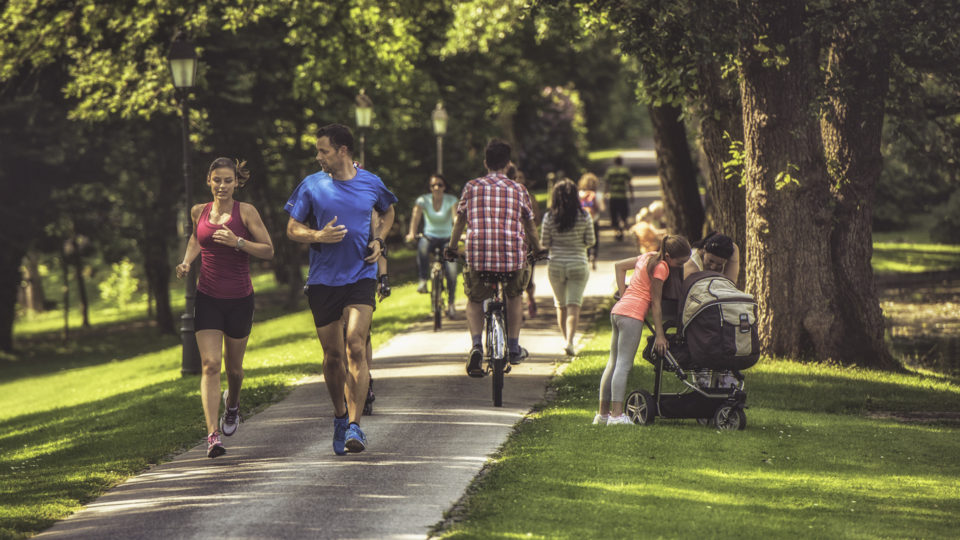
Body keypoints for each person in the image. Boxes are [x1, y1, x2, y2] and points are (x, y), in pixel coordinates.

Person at [284, 124, 397, 455]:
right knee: (333, 357)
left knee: (355, 345)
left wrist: (379, 239)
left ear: (342, 151)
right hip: (323, 281)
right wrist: (317, 236)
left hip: (361, 274)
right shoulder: (311, 185)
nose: (319, 157)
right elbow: (292, 228)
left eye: (324, 151)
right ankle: (338, 415)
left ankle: (355, 425)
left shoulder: (371, 182)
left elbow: (388, 211)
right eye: (318, 151)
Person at [176, 157, 275, 458]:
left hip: (240, 300)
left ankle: (232, 404)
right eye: (217, 180)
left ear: (236, 182)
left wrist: (238, 242)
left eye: (228, 180)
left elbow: (269, 251)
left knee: (234, 369)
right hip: (207, 297)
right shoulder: (199, 212)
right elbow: (197, 238)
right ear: (209, 180)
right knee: (209, 365)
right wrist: (186, 261)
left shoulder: (246, 212)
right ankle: (212, 436)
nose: (222, 185)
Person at [445, 139, 546, 377]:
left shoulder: (471, 187)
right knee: (514, 294)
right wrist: (539, 249)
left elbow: (460, 221)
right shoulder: (519, 189)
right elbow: (530, 226)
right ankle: (512, 345)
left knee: (474, 298)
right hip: (512, 257)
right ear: (508, 164)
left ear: (485, 163)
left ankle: (477, 345)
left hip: (479, 256)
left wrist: (451, 247)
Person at [596, 235, 690, 425]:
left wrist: (623, 295)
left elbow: (619, 266)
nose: (679, 266)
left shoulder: (647, 256)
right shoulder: (661, 267)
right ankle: (616, 416)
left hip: (618, 312)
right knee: (623, 365)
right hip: (632, 315)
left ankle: (602, 415)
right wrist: (661, 336)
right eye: (679, 262)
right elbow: (656, 304)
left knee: (612, 364)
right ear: (669, 256)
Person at [541, 179, 595, 356]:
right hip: (578, 264)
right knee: (574, 306)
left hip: (555, 264)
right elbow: (590, 241)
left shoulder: (549, 217)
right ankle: (570, 342)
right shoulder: (585, 216)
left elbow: (545, 242)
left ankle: (565, 340)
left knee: (560, 305)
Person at [683, 231, 740, 388]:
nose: (714, 266)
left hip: (717, 308)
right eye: (710, 261)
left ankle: (727, 380)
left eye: (719, 265)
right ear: (703, 251)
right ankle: (704, 381)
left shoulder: (729, 251)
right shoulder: (691, 266)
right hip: (697, 310)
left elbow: (729, 285)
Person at [405, 174, 459, 319]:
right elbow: (416, 217)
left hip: (447, 238)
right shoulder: (423, 200)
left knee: (452, 271)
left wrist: (460, 232)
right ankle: (423, 280)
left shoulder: (451, 200)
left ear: (444, 186)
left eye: (440, 184)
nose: (436, 187)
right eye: (433, 185)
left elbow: (456, 218)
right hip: (430, 236)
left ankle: (451, 303)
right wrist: (411, 233)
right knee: (422, 247)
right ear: (430, 187)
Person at [506, 164, 541, 318]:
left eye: (521, 178)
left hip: (527, 244)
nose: (518, 180)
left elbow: (537, 220)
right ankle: (517, 308)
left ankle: (530, 298)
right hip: (511, 244)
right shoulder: (506, 197)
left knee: (528, 278)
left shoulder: (530, 198)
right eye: (516, 178)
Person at [578, 172, 604, 269]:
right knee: (595, 239)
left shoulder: (579, 194)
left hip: (582, 220)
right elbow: (602, 208)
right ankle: (594, 255)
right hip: (594, 219)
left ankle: (587, 256)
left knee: (584, 239)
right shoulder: (597, 194)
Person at [604, 156, 633, 241]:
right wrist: (631, 194)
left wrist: (605, 194)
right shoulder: (625, 171)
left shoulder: (610, 171)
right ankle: (622, 227)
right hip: (622, 196)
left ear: (614, 162)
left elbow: (607, 183)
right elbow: (629, 183)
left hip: (613, 196)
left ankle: (616, 230)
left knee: (614, 214)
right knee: (623, 214)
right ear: (622, 162)